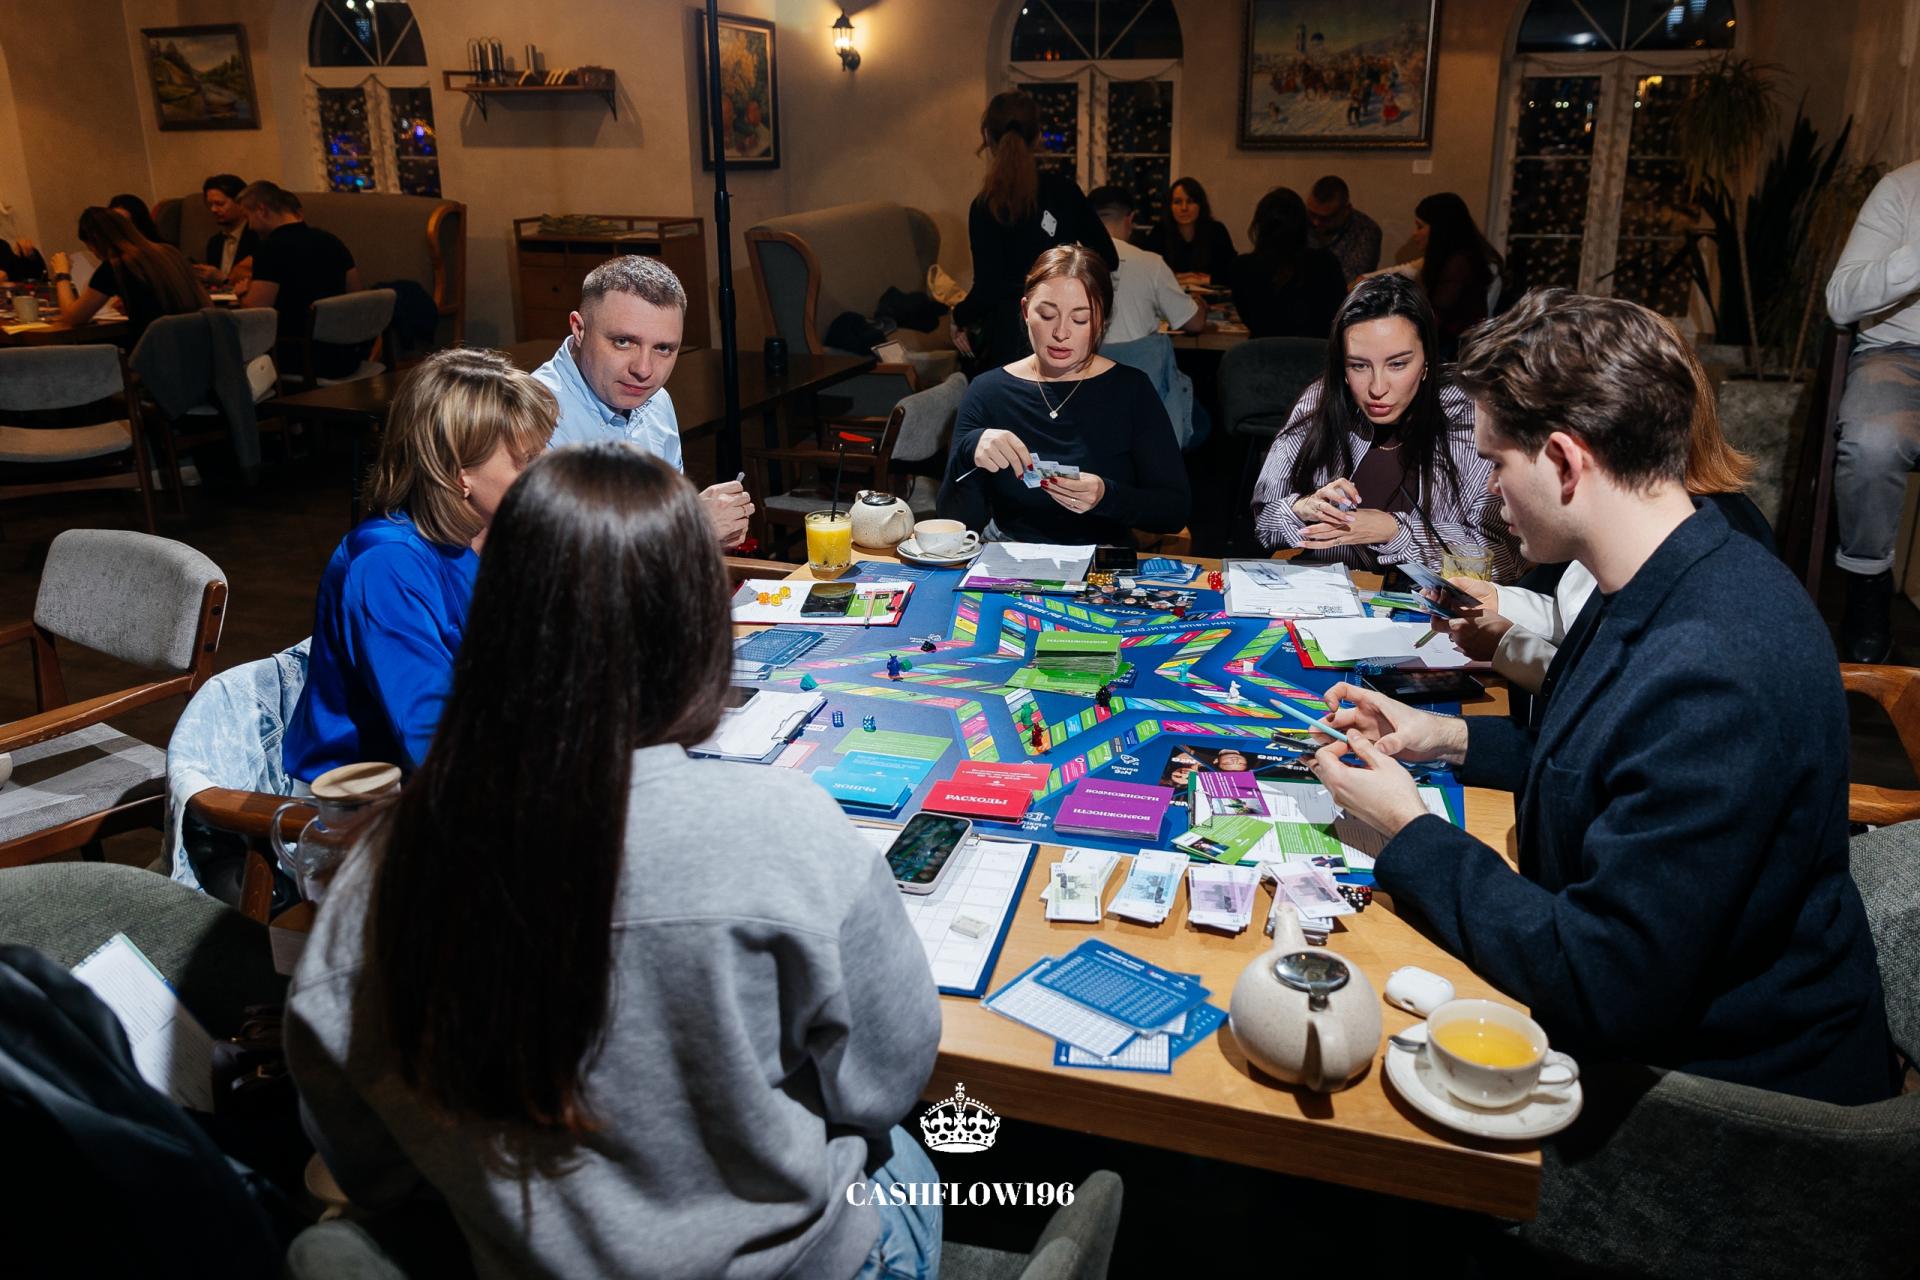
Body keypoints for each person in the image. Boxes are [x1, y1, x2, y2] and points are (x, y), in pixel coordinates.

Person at [286, 443, 944, 1279]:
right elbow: (883, 1085)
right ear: (700, 626)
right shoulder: (790, 826)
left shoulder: (375, 870)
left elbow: (367, 1163)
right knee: (908, 1161)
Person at [1306, 289, 1897, 1107]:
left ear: (1564, 461)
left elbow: (1601, 980)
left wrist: (1408, 831)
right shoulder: (1666, 572)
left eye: (1497, 463)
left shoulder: (1715, 669)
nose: (1491, 493)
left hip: (1726, 1106)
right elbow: (1597, 764)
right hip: (1658, 1031)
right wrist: (1440, 738)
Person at [1438, 317, 1775, 696]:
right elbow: (1583, 623)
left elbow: (1611, 692)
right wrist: (1500, 601)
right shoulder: (1645, 525)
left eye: (1500, 463)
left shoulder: (1702, 563)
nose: (1491, 486)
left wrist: (1508, 646)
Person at [283, 348, 556, 783]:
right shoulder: (385, 565)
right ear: (459, 471)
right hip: (363, 798)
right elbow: (435, 740)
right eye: (526, 461)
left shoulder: (491, 535)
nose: (547, 474)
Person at [1250, 273, 1522, 580]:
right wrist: (1303, 508)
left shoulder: (1471, 417)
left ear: (1426, 362)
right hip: (1326, 594)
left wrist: (1393, 531)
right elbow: (1265, 525)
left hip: (1430, 606)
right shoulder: (1321, 401)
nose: (1377, 388)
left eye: (1397, 364)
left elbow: (1503, 559)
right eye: (1359, 366)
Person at [938, 245, 1189, 545]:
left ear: (1101, 320)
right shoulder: (987, 392)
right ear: (1025, 311)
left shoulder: (1131, 390)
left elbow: (1174, 511)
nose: (1061, 333)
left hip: (1101, 557)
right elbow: (954, 523)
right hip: (1009, 552)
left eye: (1080, 319)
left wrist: (1107, 496)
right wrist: (969, 452)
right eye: (1047, 315)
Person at [530, 255, 753, 547]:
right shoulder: (530, 415)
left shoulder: (657, 401)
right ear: (579, 329)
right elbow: (554, 557)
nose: (644, 370)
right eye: (623, 342)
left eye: (663, 348)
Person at [1825, 157, 1920, 663]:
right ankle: (1868, 587)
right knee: (1873, 443)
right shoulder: (1902, 188)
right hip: (1899, 355)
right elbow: (1841, 301)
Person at [952, 91, 1117, 370]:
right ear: (1038, 136)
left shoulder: (984, 206)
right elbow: (1108, 258)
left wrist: (958, 317)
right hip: (1062, 332)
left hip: (1008, 337)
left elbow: (987, 288)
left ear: (987, 137)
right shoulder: (1065, 192)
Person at [1089, 184, 1207, 449]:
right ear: (1130, 219)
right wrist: (1201, 304)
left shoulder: (1070, 262)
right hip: (1145, 397)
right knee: (1202, 420)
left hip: (1086, 396)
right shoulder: (1150, 263)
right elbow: (1195, 323)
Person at [236, 180, 364, 379]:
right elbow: (357, 295)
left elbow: (257, 313)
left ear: (261, 210)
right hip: (347, 356)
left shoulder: (270, 250)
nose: (250, 227)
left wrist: (242, 294)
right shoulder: (331, 240)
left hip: (300, 359)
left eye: (247, 217)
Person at [46, 206, 208, 344]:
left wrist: (62, 274)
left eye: (90, 247)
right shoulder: (169, 252)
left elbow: (73, 317)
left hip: (159, 352)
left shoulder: (116, 265)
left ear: (95, 242)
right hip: (200, 344)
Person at [1225, 186, 1348, 340]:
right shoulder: (1326, 263)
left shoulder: (1241, 268)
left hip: (1262, 352)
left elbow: (1248, 318)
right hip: (1315, 352)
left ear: (1259, 226)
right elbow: (1340, 316)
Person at [1407, 192, 1502, 355]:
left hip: (1458, 351)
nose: (1415, 234)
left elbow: (1437, 317)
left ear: (1440, 230)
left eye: (1420, 227)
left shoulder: (1458, 264)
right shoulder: (1460, 256)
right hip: (1456, 345)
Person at [1140, 177, 1236, 284]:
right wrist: (1179, 278)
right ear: (1170, 206)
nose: (1184, 208)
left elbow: (1234, 273)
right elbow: (1147, 273)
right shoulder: (1160, 232)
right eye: (1177, 202)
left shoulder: (1216, 231)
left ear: (1200, 205)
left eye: (1190, 202)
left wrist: (1200, 280)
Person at [1306, 175, 1383, 284]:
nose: (1316, 222)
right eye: (1312, 214)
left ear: (1346, 210)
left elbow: (1351, 281)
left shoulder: (1365, 230)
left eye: (1325, 218)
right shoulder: (1302, 221)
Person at [194, 173, 259, 289]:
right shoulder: (214, 243)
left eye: (220, 204)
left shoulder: (258, 237)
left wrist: (222, 279)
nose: (213, 209)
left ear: (241, 203)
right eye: (210, 204)